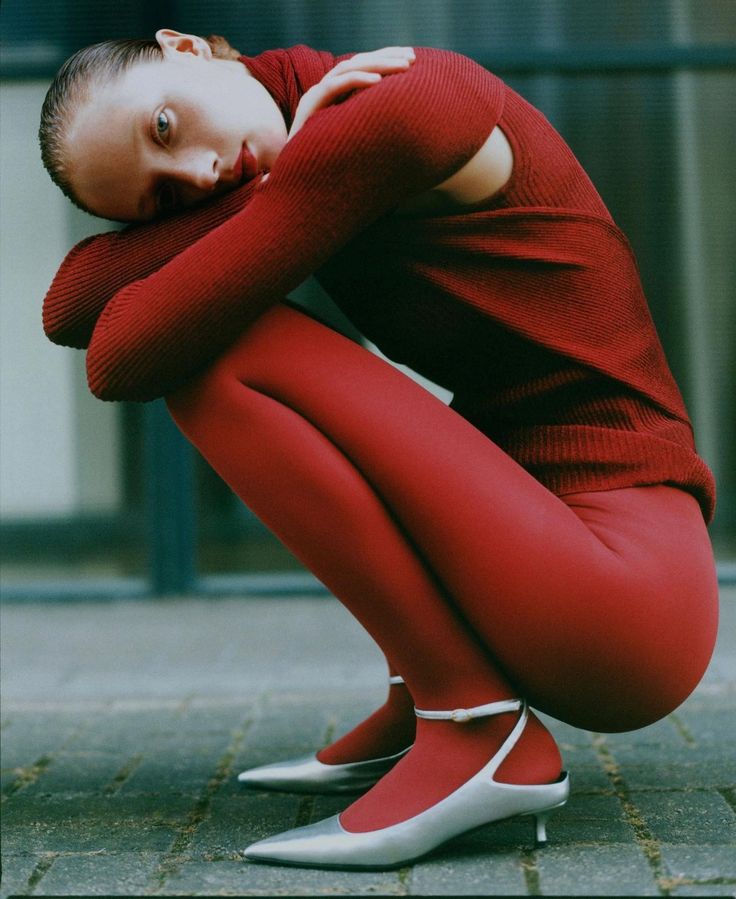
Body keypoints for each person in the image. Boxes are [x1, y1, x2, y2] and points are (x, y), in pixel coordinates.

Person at [39, 29, 719, 870]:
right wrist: (277, 183)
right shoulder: (303, 152)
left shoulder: (403, 100)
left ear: (186, 48)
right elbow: (71, 304)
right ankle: (422, 704)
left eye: (167, 130)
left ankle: (473, 724)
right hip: (548, 555)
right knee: (204, 321)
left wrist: (287, 178)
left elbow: (121, 356)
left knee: (219, 355)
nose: (201, 176)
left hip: (629, 597)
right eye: (166, 200)